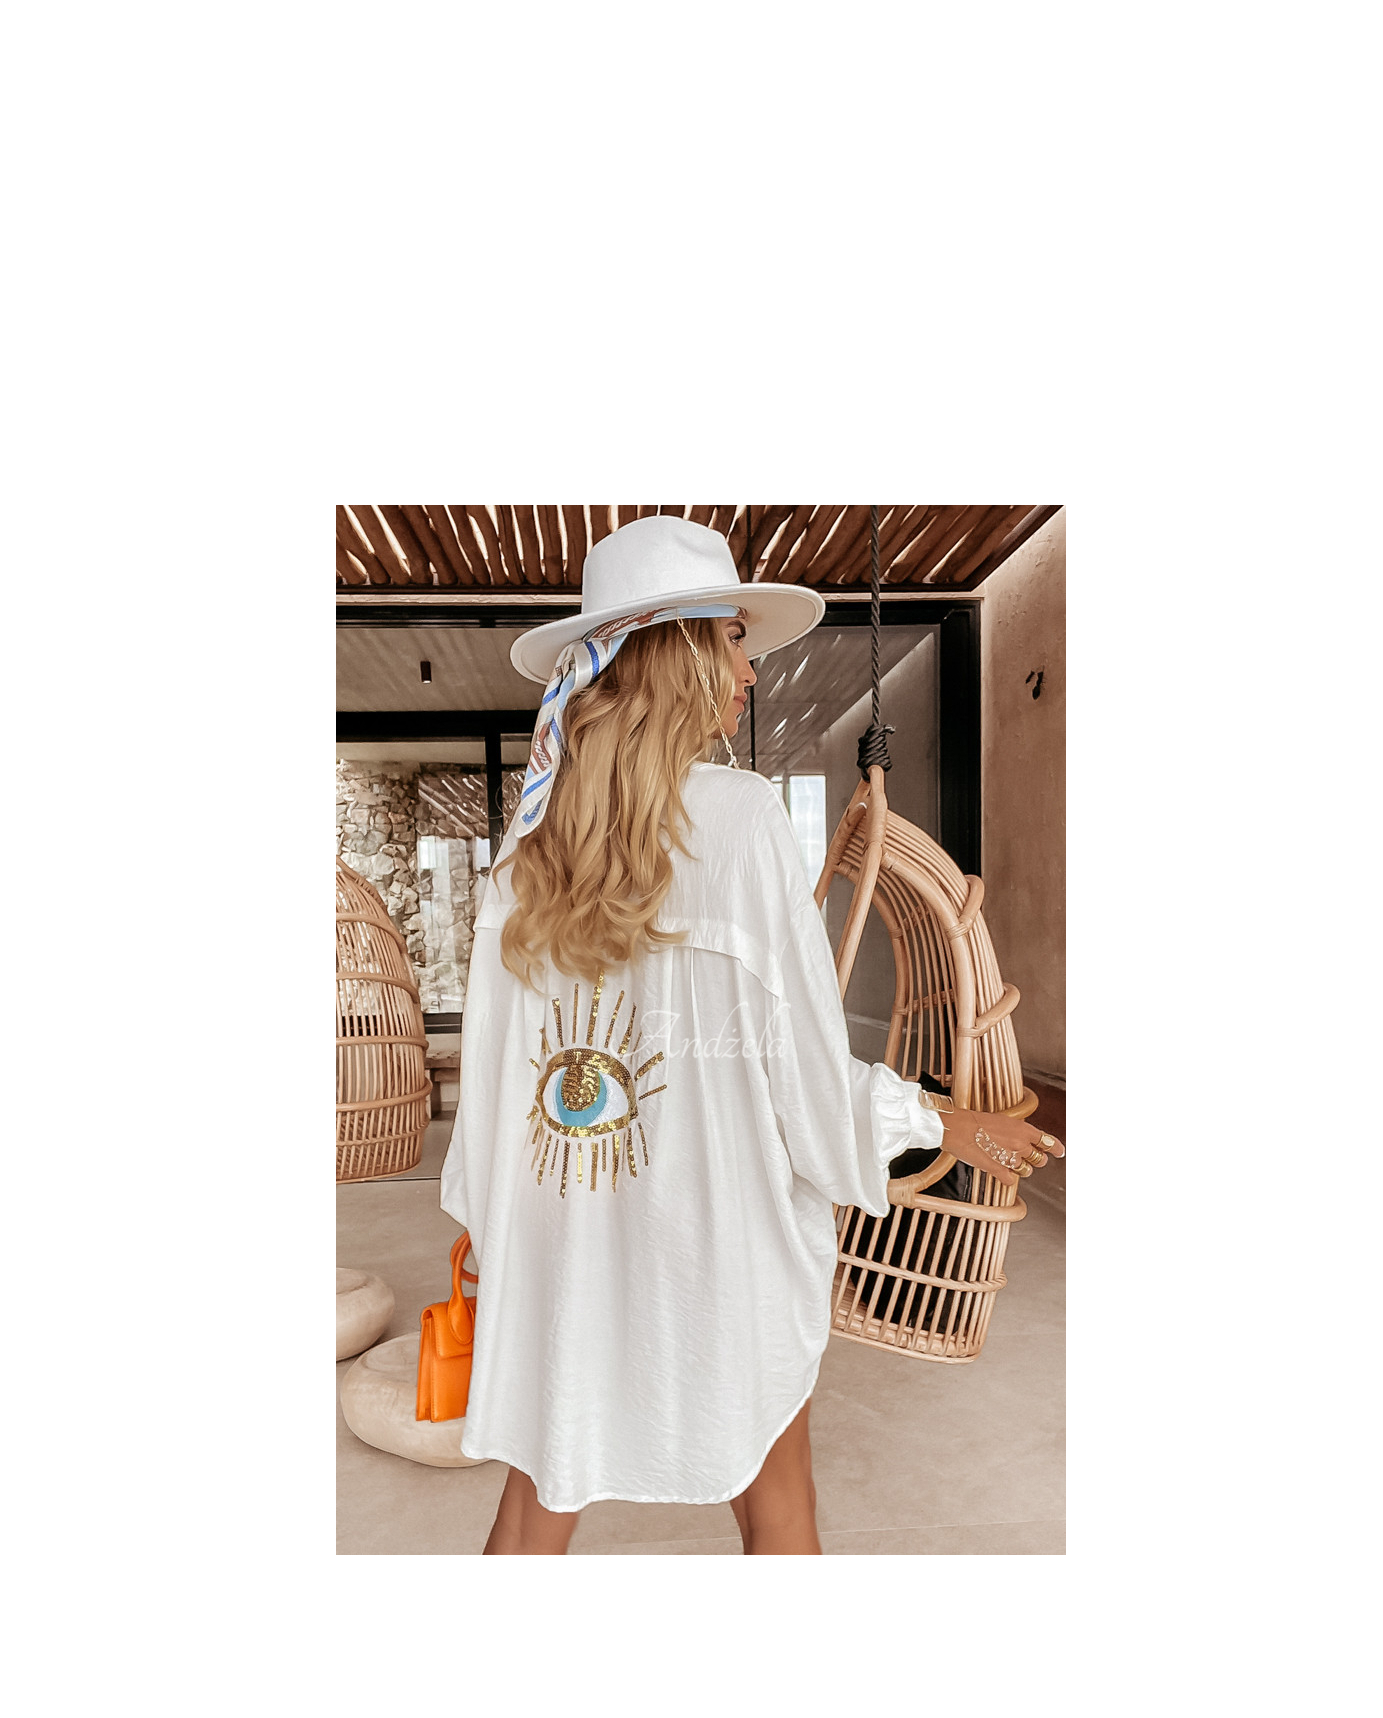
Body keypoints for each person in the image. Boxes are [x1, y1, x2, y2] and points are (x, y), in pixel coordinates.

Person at [439, 516, 1062, 1555]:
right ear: (676, 653)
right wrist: (938, 1121)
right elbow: (802, 1074)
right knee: (778, 1503)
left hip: (568, 1237)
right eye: (731, 639)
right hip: (714, 1236)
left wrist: (496, 1218)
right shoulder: (738, 819)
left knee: (539, 1495)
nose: (750, 669)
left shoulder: (527, 850)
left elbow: (502, 1078)